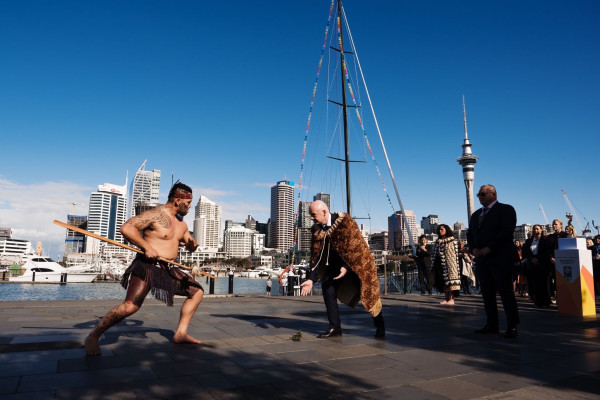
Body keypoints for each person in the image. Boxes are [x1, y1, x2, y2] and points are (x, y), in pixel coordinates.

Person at [84, 182, 203, 356]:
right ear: (178, 201)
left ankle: (181, 333)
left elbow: (188, 243)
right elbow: (127, 228)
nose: (190, 207)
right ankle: (93, 336)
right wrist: (146, 247)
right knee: (130, 306)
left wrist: (192, 245)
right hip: (148, 266)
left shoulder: (182, 224)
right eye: (188, 203)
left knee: (197, 292)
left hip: (168, 269)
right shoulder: (155, 214)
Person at [300, 200, 385, 338]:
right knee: (328, 290)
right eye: (310, 214)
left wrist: (346, 267)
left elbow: (356, 249)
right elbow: (316, 256)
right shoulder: (316, 231)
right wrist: (310, 279)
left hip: (356, 266)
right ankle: (335, 327)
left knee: (370, 295)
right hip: (333, 267)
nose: (311, 217)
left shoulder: (345, 223)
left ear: (324, 212)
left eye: (313, 214)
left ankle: (380, 324)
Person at [467, 184, 520, 338]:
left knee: (505, 292)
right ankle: (492, 324)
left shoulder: (506, 209)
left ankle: (512, 325)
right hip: (482, 260)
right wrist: (473, 249)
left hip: (501, 257)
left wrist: (489, 248)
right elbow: (470, 234)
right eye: (478, 195)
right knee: (487, 293)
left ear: (493, 194)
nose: (480, 197)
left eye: (482, 194)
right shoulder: (476, 215)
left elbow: (506, 232)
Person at [523, 225, 552, 307]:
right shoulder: (529, 241)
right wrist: (532, 259)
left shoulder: (545, 240)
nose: (535, 231)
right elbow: (525, 252)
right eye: (534, 229)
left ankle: (546, 301)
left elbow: (547, 252)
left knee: (544, 284)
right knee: (535, 283)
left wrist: (538, 259)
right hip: (532, 265)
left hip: (543, 264)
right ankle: (538, 301)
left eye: (537, 229)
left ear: (541, 230)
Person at [431, 224, 460, 305]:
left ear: (446, 230)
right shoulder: (438, 241)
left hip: (451, 264)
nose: (440, 231)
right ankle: (446, 299)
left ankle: (451, 299)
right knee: (443, 282)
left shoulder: (452, 240)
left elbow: (454, 253)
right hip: (440, 263)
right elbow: (435, 253)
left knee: (450, 282)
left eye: (442, 229)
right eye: (439, 230)